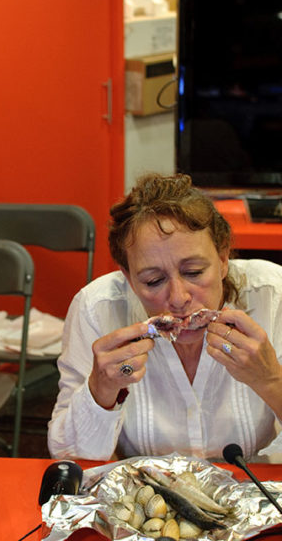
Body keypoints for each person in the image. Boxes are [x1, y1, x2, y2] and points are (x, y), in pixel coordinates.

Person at [48, 173, 282, 462]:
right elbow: (67, 457)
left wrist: (271, 380)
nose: (178, 298)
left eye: (194, 272)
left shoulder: (273, 296)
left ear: (223, 259)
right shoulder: (96, 308)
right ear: (129, 279)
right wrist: (101, 391)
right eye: (153, 280)